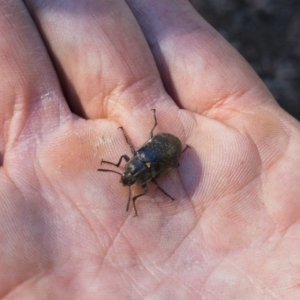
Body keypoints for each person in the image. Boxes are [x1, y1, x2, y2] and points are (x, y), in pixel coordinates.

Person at [1, 0, 299, 298]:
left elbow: (141, 171)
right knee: (156, 159)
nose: (127, 176)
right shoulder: (139, 171)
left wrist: (150, 183)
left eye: (127, 173)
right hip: (163, 148)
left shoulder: (143, 177)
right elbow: (137, 166)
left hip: (165, 146)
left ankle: (173, 156)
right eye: (128, 175)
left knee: (159, 161)